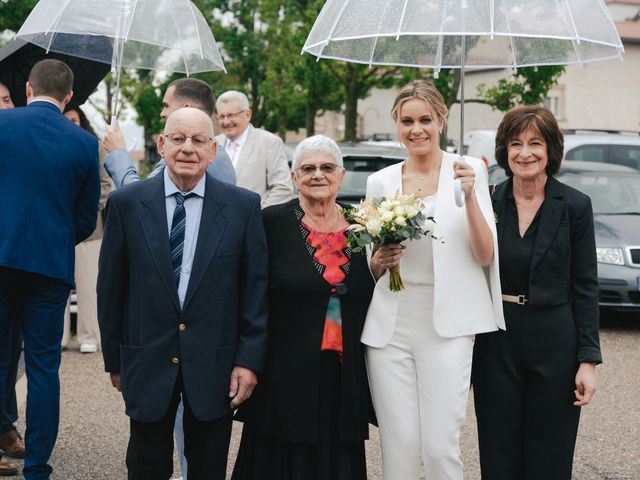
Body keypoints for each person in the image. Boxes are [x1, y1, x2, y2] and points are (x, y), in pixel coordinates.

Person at [97, 107, 268, 480]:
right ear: (162, 144)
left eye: (198, 140)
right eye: (178, 138)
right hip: (147, 358)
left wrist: (248, 360)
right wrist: (115, 358)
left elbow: (255, 291)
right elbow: (111, 287)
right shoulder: (126, 205)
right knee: (145, 465)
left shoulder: (242, 207)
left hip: (216, 364)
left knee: (208, 468)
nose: (187, 148)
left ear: (212, 150)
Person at [361, 80, 504, 480]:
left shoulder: (468, 171)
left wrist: (471, 196)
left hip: (448, 325)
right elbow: (369, 268)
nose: (416, 129)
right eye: (407, 121)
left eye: (425, 119)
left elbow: (485, 255)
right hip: (390, 325)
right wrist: (379, 261)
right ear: (397, 125)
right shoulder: (381, 182)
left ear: (441, 119)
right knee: (399, 444)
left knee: (440, 446)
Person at [232, 135, 375, 480]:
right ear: (294, 177)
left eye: (327, 168)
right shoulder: (270, 223)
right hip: (283, 373)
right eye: (307, 168)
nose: (317, 175)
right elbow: (248, 294)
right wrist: (245, 359)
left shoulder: (365, 226)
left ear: (341, 176)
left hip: (343, 372)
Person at [471, 105, 601, 480]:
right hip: (497, 337)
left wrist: (588, 361)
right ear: (503, 150)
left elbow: (586, 286)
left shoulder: (575, 206)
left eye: (535, 143)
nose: (524, 153)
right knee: (498, 448)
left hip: (555, 339)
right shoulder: (486, 199)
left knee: (551, 451)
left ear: (551, 150)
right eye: (515, 143)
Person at [0, 59, 100, 479]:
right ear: (69, 97)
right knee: (43, 368)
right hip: (50, 267)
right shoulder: (82, 143)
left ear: (27, 89)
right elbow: (85, 216)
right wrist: (56, 241)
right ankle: (37, 466)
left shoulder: (3, 126)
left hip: (0, 259)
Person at [104, 77, 236, 187]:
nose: (162, 113)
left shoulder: (188, 157)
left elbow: (141, 199)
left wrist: (117, 151)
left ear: (186, 109)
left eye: (166, 105)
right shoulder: (217, 155)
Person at [61, 107, 112, 354]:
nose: (70, 123)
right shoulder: (52, 145)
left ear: (81, 121)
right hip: (57, 226)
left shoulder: (95, 146)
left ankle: (89, 335)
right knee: (56, 282)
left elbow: (105, 184)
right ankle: (58, 337)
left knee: (89, 283)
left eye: (74, 119)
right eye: (66, 120)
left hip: (90, 228)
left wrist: (85, 207)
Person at [215, 90, 294, 207]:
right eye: (222, 116)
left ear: (248, 114)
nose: (226, 121)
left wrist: (256, 216)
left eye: (231, 115)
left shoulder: (269, 142)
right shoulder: (212, 143)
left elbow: (283, 189)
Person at [0, 81, 22, 477]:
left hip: (15, 266)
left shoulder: (18, 142)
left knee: (9, 352)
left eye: (7, 99)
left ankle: (4, 425)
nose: (5, 105)